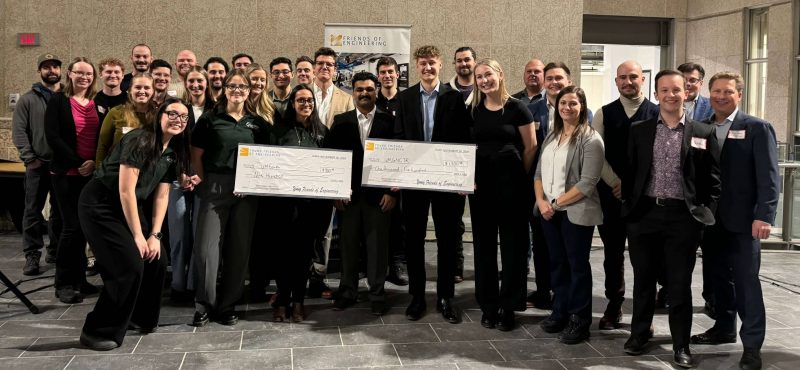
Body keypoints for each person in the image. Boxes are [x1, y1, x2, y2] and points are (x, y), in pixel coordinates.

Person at [622, 70, 720, 369]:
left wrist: (704, 216)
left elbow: (714, 181)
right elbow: (630, 173)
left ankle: (681, 345)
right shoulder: (639, 129)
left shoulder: (703, 132)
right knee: (643, 282)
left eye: (676, 89)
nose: (670, 95)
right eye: (664, 90)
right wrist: (630, 210)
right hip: (645, 215)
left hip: (682, 218)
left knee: (679, 284)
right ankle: (638, 335)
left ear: (686, 92)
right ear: (656, 94)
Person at [77, 98, 192, 351]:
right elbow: (126, 191)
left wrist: (155, 235)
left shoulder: (172, 152)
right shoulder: (140, 140)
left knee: (156, 258)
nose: (178, 120)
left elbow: (162, 196)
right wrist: (139, 237)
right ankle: (96, 330)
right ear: (159, 115)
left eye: (184, 117)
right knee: (128, 264)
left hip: (129, 206)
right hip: (102, 204)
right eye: (173, 113)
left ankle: (139, 318)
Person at [690, 72, 779, 370]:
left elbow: (769, 177)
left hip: (744, 223)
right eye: (716, 91)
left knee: (747, 283)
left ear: (739, 94)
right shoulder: (702, 129)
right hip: (711, 221)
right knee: (717, 281)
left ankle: (752, 345)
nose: (720, 96)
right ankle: (723, 328)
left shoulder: (756, 127)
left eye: (727, 92)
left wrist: (764, 216)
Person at [394, 45, 471, 324]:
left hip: (446, 181)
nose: (428, 68)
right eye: (423, 63)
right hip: (414, 183)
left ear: (441, 66)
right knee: (413, 239)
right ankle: (417, 297)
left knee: (448, 240)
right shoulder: (405, 98)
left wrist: (463, 176)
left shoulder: (455, 98)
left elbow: (463, 140)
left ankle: (445, 297)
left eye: (433, 63)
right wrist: (396, 176)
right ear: (417, 66)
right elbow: (399, 139)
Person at [190, 70, 270, 327]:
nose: (238, 90)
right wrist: (203, 184)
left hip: (246, 192)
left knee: (238, 249)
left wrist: (252, 183)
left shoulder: (257, 123)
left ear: (249, 91)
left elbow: (264, 160)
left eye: (242, 86)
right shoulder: (210, 119)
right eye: (232, 86)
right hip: (215, 187)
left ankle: (227, 305)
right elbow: (195, 155)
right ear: (224, 89)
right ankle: (204, 304)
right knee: (206, 249)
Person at [469, 59, 537, 331]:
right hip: (481, 189)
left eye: (488, 75)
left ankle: (509, 307)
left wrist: (518, 176)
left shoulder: (518, 108)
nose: (484, 80)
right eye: (479, 77)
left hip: (513, 188)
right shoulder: (473, 110)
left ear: (500, 74)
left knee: (514, 248)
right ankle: (488, 306)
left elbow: (531, 147)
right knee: (483, 247)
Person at [534, 86, 603, 344]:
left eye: (573, 103)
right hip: (549, 212)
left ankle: (580, 319)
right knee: (557, 264)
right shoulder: (552, 137)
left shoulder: (591, 139)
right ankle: (560, 311)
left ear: (582, 107)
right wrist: (541, 202)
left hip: (574, 212)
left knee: (577, 267)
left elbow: (587, 183)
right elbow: (539, 174)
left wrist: (554, 203)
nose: (567, 108)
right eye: (563, 103)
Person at [592, 60, 659, 330]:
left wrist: (635, 187)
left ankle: (645, 314)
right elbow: (595, 155)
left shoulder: (657, 113)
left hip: (645, 199)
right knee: (612, 254)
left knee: (646, 258)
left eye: (634, 77)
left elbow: (660, 158)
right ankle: (614, 305)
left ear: (643, 79)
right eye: (623, 78)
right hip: (611, 196)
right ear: (616, 81)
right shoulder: (603, 113)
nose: (628, 82)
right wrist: (616, 183)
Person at [327, 72, 397, 316]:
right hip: (348, 197)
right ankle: (347, 291)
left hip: (379, 198)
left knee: (378, 248)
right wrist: (336, 191)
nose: (364, 93)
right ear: (352, 92)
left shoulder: (390, 122)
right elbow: (333, 159)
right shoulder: (341, 120)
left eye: (369, 89)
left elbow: (397, 160)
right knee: (348, 247)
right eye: (359, 89)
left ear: (376, 91)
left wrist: (391, 192)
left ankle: (377, 294)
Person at [269, 84, 332, 322]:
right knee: (284, 256)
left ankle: (299, 301)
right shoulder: (278, 131)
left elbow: (330, 167)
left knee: (304, 256)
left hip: (312, 207)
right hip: (284, 207)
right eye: (301, 100)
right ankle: (282, 301)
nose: (306, 104)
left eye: (310, 101)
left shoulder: (323, 132)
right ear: (292, 103)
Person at [44, 57, 102, 304]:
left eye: (88, 74)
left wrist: (93, 164)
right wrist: (80, 162)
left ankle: (80, 280)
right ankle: (64, 283)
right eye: (79, 73)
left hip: (89, 174)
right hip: (67, 173)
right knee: (70, 228)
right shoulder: (58, 100)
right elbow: (53, 137)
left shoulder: (94, 103)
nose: (84, 77)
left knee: (83, 229)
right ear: (69, 74)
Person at [309, 47, 355, 299]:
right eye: (320, 63)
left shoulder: (346, 99)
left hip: (330, 172)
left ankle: (318, 276)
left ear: (336, 70)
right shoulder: (304, 94)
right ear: (313, 68)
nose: (324, 67)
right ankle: (298, 274)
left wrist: (340, 184)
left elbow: (347, 144)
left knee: (325, 229)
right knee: (302, 226)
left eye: (329, 64)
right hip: (305, 170)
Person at [12, 53, 63, 276]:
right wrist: (29, 158)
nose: (51, 71)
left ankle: (55, 250)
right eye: (46, 67)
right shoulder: (27, 100)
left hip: (61, 165)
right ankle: (32, 254)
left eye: (55, 67)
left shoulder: (67, 97)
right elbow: (19, 131)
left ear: (61, 71)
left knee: (60, 212)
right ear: (39, 71)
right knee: (32, 211)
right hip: (38, 165)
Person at [243, 62, 278, 302]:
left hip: (266, 184)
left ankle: (259, 283)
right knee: (243, 235)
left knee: (263, 236)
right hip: (242, 184)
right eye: (253, 79)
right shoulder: (236, 109)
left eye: (261, 80)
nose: (258, 83)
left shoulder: (272, 110)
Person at [375, 56, 407, 286]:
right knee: (375, 221)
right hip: (373, 170)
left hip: (399, 171)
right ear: (378, 76)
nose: (387, 75)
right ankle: (373, 265)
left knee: (398, 222)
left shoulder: (406, 101)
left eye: (390, 72)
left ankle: (397, 265)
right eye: (383, 72)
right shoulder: (370, 100)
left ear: (398, 74)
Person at [445, 46, 476, 284]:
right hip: (452, 165)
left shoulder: (486, 88)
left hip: (481, 166)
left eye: (467, 60)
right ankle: (455, 266)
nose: (463, 64)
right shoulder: (445, 92)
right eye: (459, 60)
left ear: (474, 62)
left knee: (482, 219)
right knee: (453, 221)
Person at [96, 73, 155, 163]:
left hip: (147, 171)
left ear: (153, 91)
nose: (142, 91)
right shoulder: (116, 112)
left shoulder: (159, 116)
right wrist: (99, 172)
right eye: (138, 87)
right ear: (130, 90)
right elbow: (102, 146)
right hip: (116, 171)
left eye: (147, 88)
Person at [93, 58, 127, 124]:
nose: (113, 75)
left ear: (122, 75)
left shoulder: (130, 100)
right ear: (100, 74)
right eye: (108, 72)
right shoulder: (93, 100)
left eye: (117, 72)